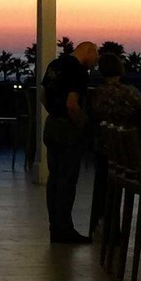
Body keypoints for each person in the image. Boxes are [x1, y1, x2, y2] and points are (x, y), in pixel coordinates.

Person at [87, 52, 141, 233]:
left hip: (103, 149)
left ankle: (101, 221)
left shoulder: (96, 94)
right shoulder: (130, 92)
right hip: (130, 153)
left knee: (102, 179)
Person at [40, 39, 97, 245]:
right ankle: (65, 229)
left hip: (52, 125)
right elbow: (72, 104)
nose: (94, 64)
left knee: (54, 179)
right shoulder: (78, 71)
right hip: (67, 129)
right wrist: (83, 125)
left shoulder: (54, 65)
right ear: (88, 51)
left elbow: (43, 95)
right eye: (95, 58)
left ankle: (55, 227)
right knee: (67, 180)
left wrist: (54, 114)